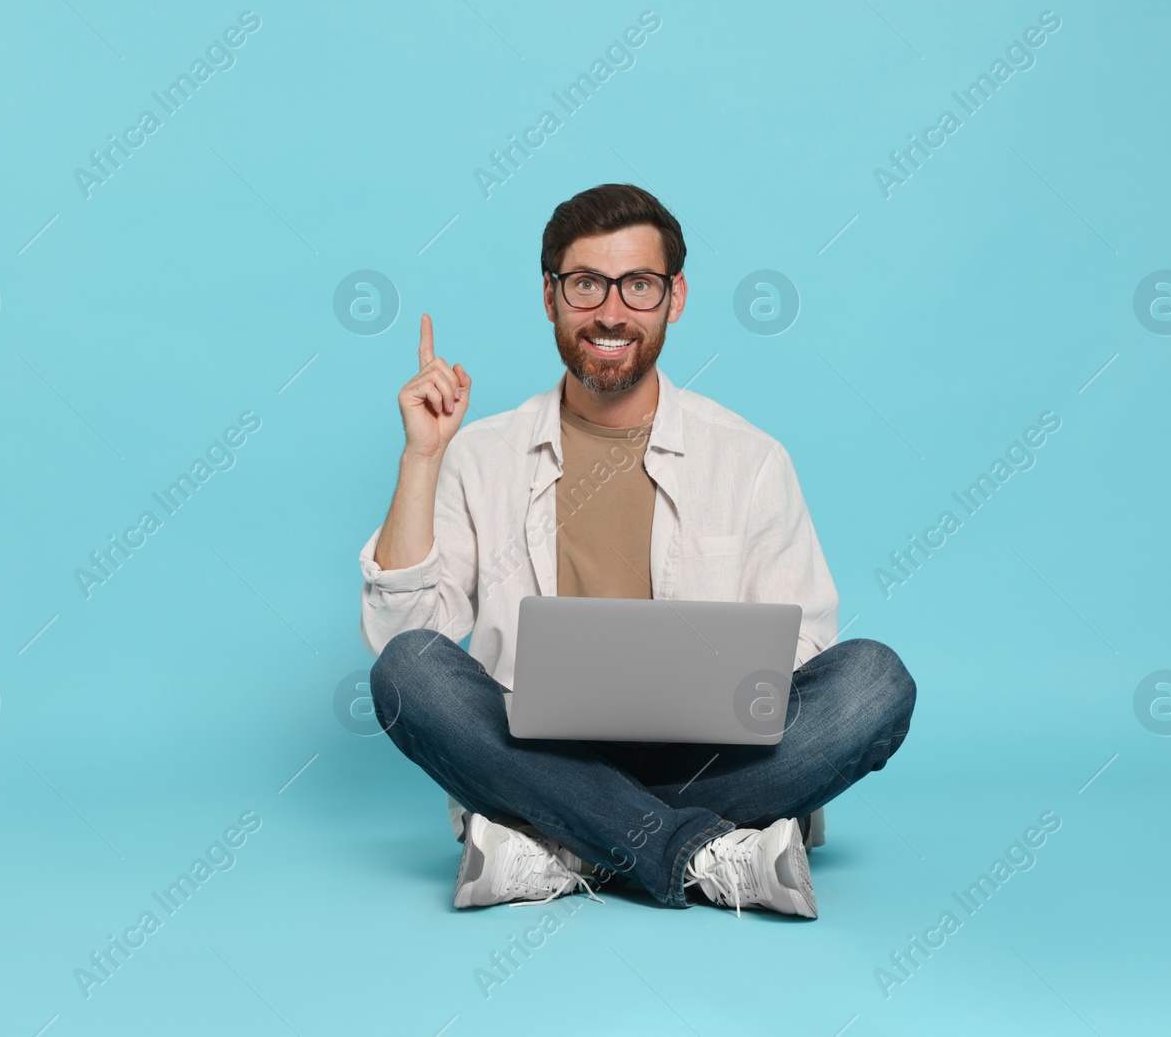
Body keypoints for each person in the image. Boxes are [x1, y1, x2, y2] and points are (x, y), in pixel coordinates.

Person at [357, 183, 916, 918]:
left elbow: (808, 646)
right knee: (406, 676)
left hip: (705, 754)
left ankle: (562, 838)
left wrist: (716, 691)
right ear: (551, 295)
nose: (611, 311)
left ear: (674, 297)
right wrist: (422, 458)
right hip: (540, 748)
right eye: (586, 283)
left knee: (874, 681)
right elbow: (403, 637)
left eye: (639, 285)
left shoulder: (749, 457)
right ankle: (706, 852)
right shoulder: (482, 453)